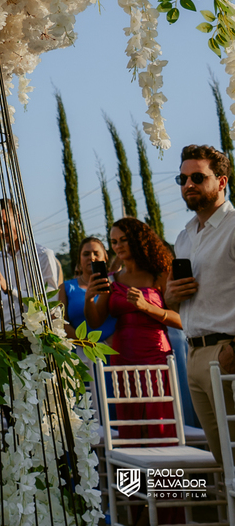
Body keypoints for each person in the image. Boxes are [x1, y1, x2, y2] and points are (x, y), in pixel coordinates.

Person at [166, 144, 235, 461]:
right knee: (223, 460)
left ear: (221, 181)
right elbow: (174, 303)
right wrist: (171, 296)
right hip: (192, 353)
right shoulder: (185, 236)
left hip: (226, 352)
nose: (188, 185)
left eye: (197, 177)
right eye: (182, 179)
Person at [85, 218, 179, 441]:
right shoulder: (111, 280)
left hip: (156, 353)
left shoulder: (160, 274)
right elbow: (95, 322)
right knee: (130, 419)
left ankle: (164, 464)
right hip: (123, 354)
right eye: (114, 242)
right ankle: (133, 464)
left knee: (158, 418)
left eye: (124, 240)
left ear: (138, 240)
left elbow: (182, 320)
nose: (118, 246)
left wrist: (147, 307)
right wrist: (89, 298)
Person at [0, 198, 64, 293]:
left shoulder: (42, 256)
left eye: (4, 224)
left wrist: (9, 289)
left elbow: (50, 299)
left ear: (18, 218)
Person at [58, 237, 117, 343]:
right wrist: (87, 344)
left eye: (96, 253)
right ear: (79, 260)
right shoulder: (66, 287)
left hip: (114, 347)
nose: (91, 257)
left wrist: (108, 343)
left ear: (105, 258)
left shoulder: (116, 284)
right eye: (86, 254)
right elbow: (60, 322)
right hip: (79, 349)